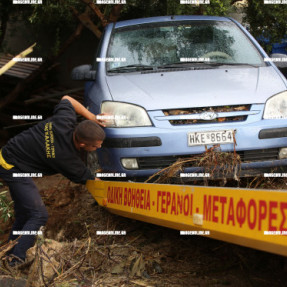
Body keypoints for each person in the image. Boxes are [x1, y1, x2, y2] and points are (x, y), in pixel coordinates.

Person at [0, 95, 105, 267]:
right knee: (38, 214)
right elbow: (89, 179)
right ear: (83, 145)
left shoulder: (64, 121)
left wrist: (92, 117)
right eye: (96, 146)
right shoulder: (65, 158)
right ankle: (15, 261)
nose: (99, 147)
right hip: (12, 167)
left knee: (25, 214)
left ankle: (9, 253)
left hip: (10, 153)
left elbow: (67, 99)